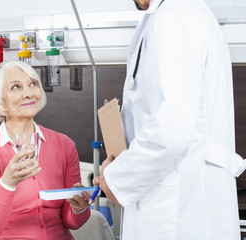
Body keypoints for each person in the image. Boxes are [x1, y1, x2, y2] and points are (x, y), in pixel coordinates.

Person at [93, 0, 246, 239]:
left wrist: (116, 179)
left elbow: (170, 131)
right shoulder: (178, 15)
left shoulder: (173, 19)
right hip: (180, 201)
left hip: (176, 212)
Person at [0, 61, 91, 240]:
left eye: (33, 84)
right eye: (16, 87)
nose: (28, 94)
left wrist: (78, 208)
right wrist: (7, 183)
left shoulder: (64, 145)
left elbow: (71, 222)